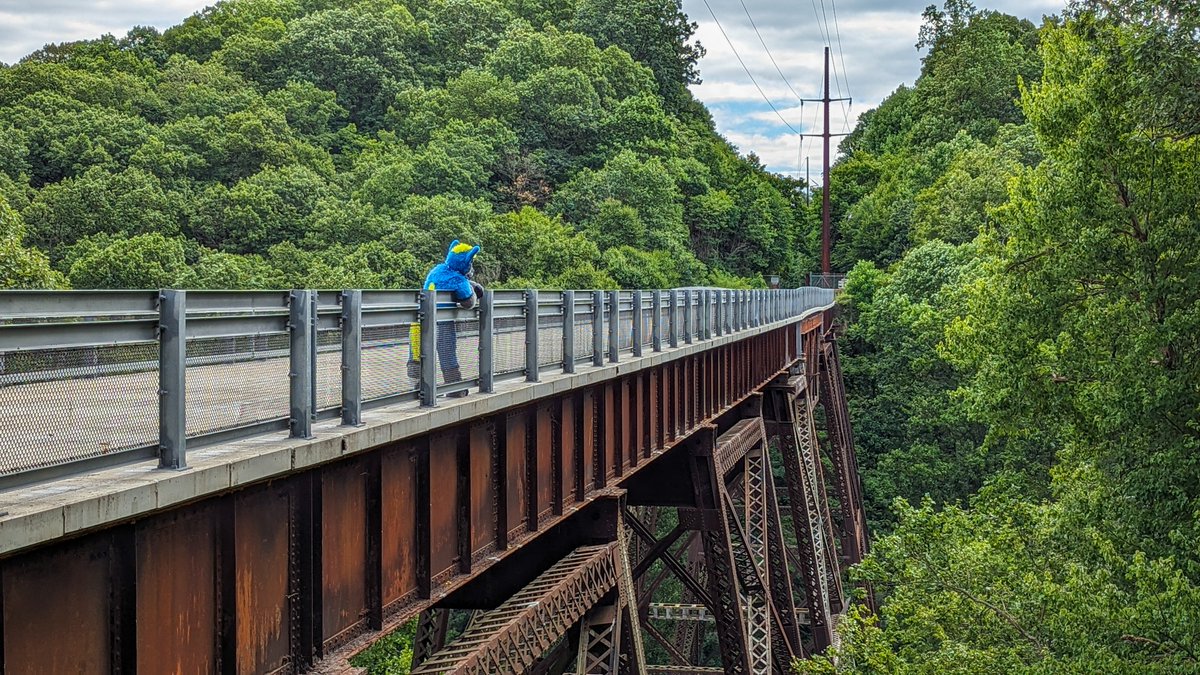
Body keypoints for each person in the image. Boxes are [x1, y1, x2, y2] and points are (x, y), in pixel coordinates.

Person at [407, 240, 484, 398]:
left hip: (419, 319)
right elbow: (468, 302)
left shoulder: (437, 270)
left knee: (417, 352)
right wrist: (474, 291)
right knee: (446, 352)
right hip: (442, 321)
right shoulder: (458, 279)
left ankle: (418, 387)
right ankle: (454, 386)